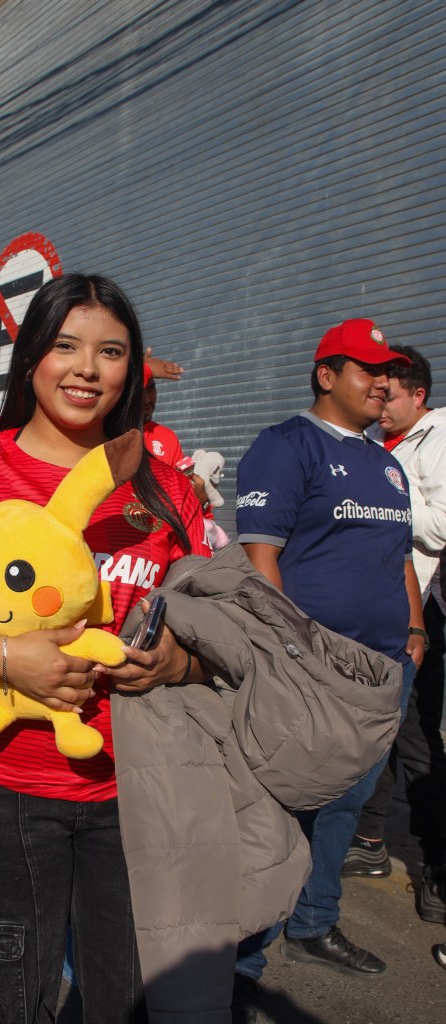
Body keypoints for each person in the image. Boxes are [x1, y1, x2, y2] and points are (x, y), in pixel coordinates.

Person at [0, 273, 209, 1023]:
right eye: (65, 345)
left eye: (110, 352)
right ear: (29, 355)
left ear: (130, 369)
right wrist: (9, 659)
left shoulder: (167, 489)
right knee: (14, 990)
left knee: (124, 990)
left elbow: (213, 632)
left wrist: (178, 662)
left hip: (136, 787)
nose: (86, 368)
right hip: (1, 787)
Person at [232, 319, 425, 1020]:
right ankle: (241, 955)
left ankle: (313, 924)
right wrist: (296, 656)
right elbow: (260, 559)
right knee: (284, 807)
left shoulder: (386, 463)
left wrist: (412, 628)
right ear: (325, 375)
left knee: (347, 802)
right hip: (314, 668)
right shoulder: (286, 446)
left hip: (383, 668)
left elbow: (397, 554)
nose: (382, 384)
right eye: (367, 370)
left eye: (388, 373)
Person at [343, 345, 446, 924]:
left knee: (414, 737)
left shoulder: (440, 439)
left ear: (419, 396)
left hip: (423, 610)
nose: (381, 404)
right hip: (386, 603)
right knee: (381, 724)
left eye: (392, 394)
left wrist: (384, 503)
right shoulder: (388, 445)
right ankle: (373, 840)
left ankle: (438, 868)